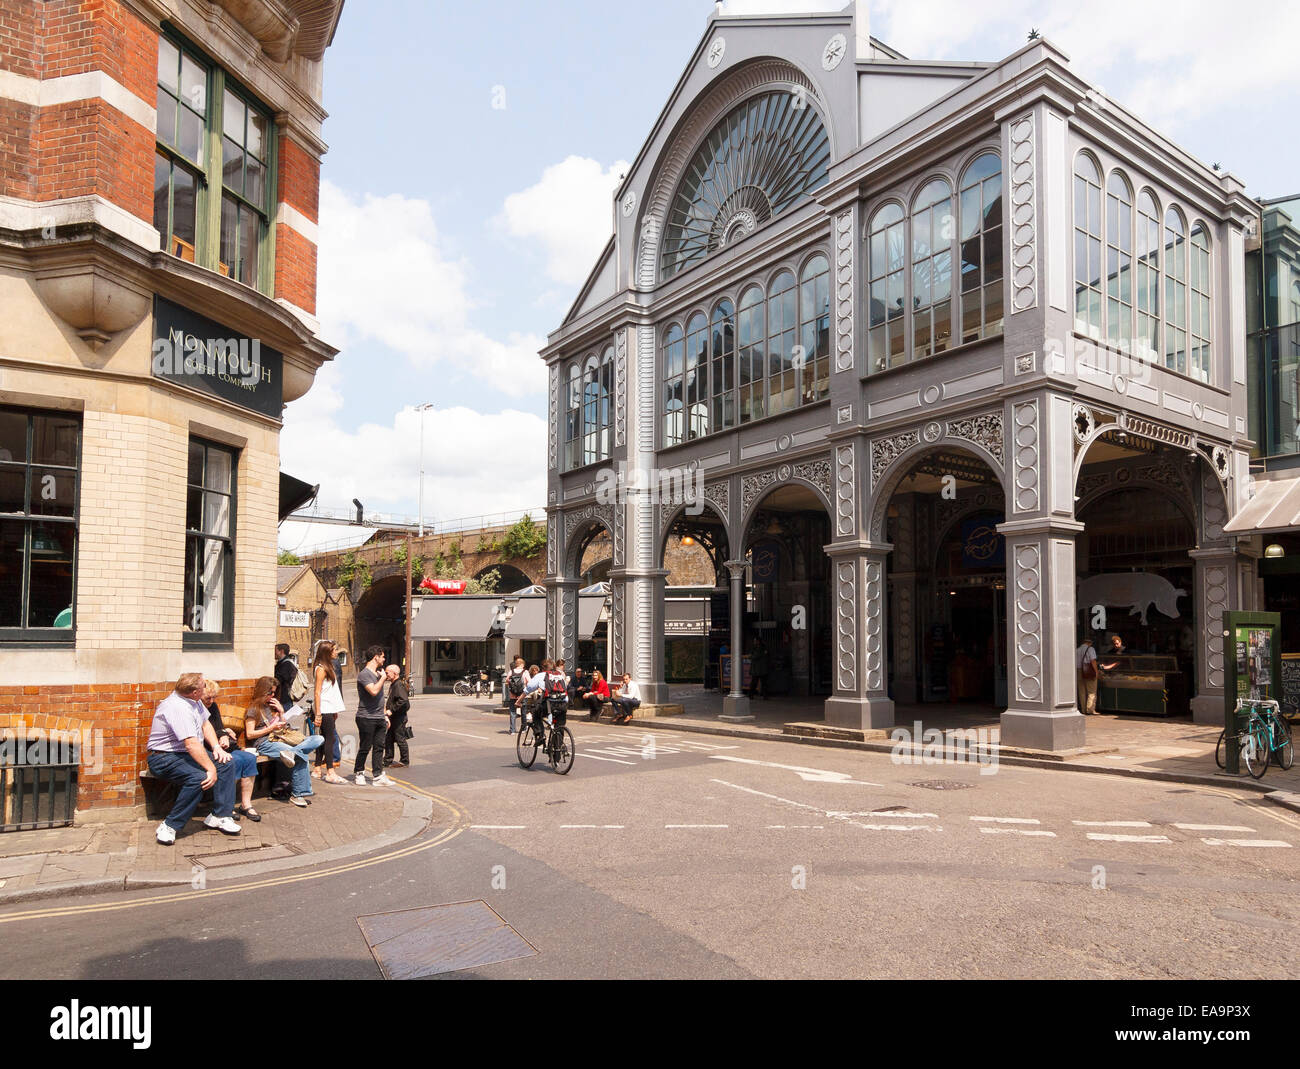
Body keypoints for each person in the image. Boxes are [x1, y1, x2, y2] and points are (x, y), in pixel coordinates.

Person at [146, 673, 240, 844]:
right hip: (163, 757)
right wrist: (210, 768)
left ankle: (220, 815)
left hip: (183, 754)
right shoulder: (177, 707)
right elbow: (191, 744)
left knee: (226, 762)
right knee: (199, 778)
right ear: (196, 692)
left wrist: (217, 748)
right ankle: (169, 825)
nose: (206, 687)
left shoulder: (194, 702)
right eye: (204, 686)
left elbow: (206, 724)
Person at [244, 676, 323, 807]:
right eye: (270, 693)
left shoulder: (270, 707)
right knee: (300, 756)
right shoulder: (253, 709)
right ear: (262, 691)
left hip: (281, 738)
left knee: (318, 738)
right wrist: (271, 728)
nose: (272, 695)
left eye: (274, 692)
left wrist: (281, 712)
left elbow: (283, 726)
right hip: (265, 743)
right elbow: (250, 734)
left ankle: (292, 752)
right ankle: (298, 795)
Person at [202, 680, 260, 821]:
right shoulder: (196, 709)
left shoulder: (213, 707)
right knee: (231, 761)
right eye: (208, 698)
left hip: (223, 746)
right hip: (208, 748)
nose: (211, 701)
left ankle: (246, 804)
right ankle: (226, 806)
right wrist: (221, 736)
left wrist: (224, 735)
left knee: (249, 758)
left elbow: (219, 726)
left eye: (214, 697)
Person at [354, 645, 393, 785]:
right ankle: (359, 772)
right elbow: (373, 691)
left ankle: (377, 776)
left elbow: (381, 698)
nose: (384, 659)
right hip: (366, 717)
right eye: (382, 656)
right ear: (375, 657)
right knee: (365, 747)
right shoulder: (364, 674)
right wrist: (382, 678)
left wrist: (385, 716)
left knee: (379, 747)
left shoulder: (377, 674)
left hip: (379, 717)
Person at [311, 640, 347, 784]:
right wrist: (318, 713)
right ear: (327, 652)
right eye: (334, 650)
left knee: (324, 738)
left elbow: (331, 691)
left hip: (329, 708)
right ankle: (330, 772)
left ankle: (317, 769)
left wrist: (335, 709)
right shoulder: (321, 669)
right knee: (330, 739)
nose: (336, 652)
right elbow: (317, 692)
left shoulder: (328, 666)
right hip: (324, 708)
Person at [384, 664, 411, 768]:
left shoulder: (398, 684)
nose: (386, 674)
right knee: (389, 739)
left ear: (394, 673)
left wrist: (392, 709)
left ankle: (404, 760)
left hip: (398, 717)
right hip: (394, 717)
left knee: (400, 739)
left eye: (387, 672)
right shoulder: (394, 684)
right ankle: (387, 760)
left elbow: (403, 700)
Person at [504, 656, 531, 735]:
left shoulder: (511, 672)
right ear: (522, 664)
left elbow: (507, 681)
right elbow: (529, 682)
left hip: (513, 695)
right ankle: (523, 728)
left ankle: (512, 730)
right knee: (523, 712)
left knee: (512, 712)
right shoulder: (525, 672)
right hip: (522, 695)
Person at [1076, 637, 1099, 717]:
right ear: (1090, 643)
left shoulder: (1077, 650)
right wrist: (1096, 671)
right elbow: (1093, 661)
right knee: (1091, 691)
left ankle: (1083, 710)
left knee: (1081, 691)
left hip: (1078, 670)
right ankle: (1090, 709)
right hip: (1088, 671)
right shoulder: (1090, 649)